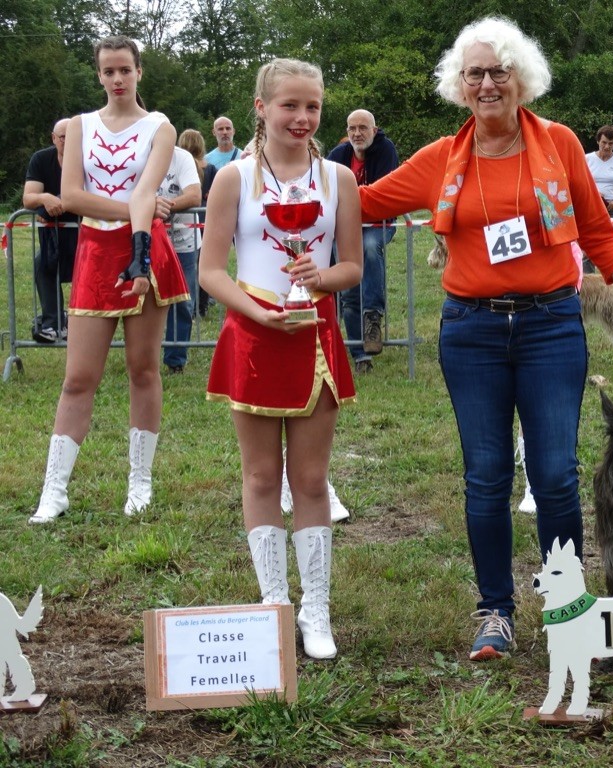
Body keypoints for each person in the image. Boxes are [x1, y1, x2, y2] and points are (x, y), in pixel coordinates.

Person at [358, 16, 613, 661]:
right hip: (472, 331)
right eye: (475, 73)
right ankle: (495, 612)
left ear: (521, 80)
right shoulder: (439, 160)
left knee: (557, 477)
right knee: (485, 476)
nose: (487, 83)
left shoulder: (561, 146)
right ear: (461, 84)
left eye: (498, 71)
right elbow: (362, 201)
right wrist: (285, 166)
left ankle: (568, 614)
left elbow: (598, 235)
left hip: (550, 327)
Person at [199, 58, 362, 659]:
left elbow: (353, 266)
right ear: (262, 108)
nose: (302, 117)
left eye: (312, 106)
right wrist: (255, 310)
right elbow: (210, 270)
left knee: (312, 478)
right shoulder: (232, 179)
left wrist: (319, 280)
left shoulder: (337, 178)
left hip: (314, 331)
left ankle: (315, 609)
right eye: (289, 105)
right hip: (255, 332)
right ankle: (275, 603)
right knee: (262, 476)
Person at [30, 35, 189, 524]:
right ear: (98, 75)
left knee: (144, 370)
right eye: (109, 71)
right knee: (78, 377)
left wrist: (143, 209)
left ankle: (139, 482)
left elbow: (147, 188)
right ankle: (53, 490)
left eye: (125, 70)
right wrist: (140, 207)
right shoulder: (79, 126)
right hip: (96, 253)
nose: (117, 79)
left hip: (146, 250)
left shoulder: (161, 127)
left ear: (139, 72)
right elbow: (73, 194)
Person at [326, 110, 399, 374]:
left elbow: (383, 195)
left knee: (369, 248)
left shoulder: (385, 150)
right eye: (352, 128)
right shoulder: (337, 156)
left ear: (374, 130)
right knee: (347, 290)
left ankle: (373, 316)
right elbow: (326, 192)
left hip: (379, 223)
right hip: (345, 227)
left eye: (362, 128)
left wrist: (349, 204)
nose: (357, 133)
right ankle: (360, 353)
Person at [22, 118, 79, 343]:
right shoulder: (41, 159)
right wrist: (45, 198)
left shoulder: (87, 160)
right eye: (63, 137)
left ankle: (81, 323)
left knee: (86, 271)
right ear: (54, 138)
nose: (68, 141)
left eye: (72, 137)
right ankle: (53, 323)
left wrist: (64, 202)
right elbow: (28, 198)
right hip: (52, 235)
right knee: (43, 264)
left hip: (84, 231)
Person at [158, 144, 202, 373]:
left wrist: (161, 207)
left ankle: (175, 360)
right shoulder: (139, 153)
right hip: (148, 240)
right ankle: (141, 355)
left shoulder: (181, 157)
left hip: (183, 242)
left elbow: (194, 195)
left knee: (183, 302)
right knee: (141, 301)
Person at [178, 128, 217, 318]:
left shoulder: (178, 166)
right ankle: (200, 306)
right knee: (203, 265)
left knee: (189, 267)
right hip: (204, 220)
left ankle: (188, 306)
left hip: (185, 222)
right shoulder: (208, 168)